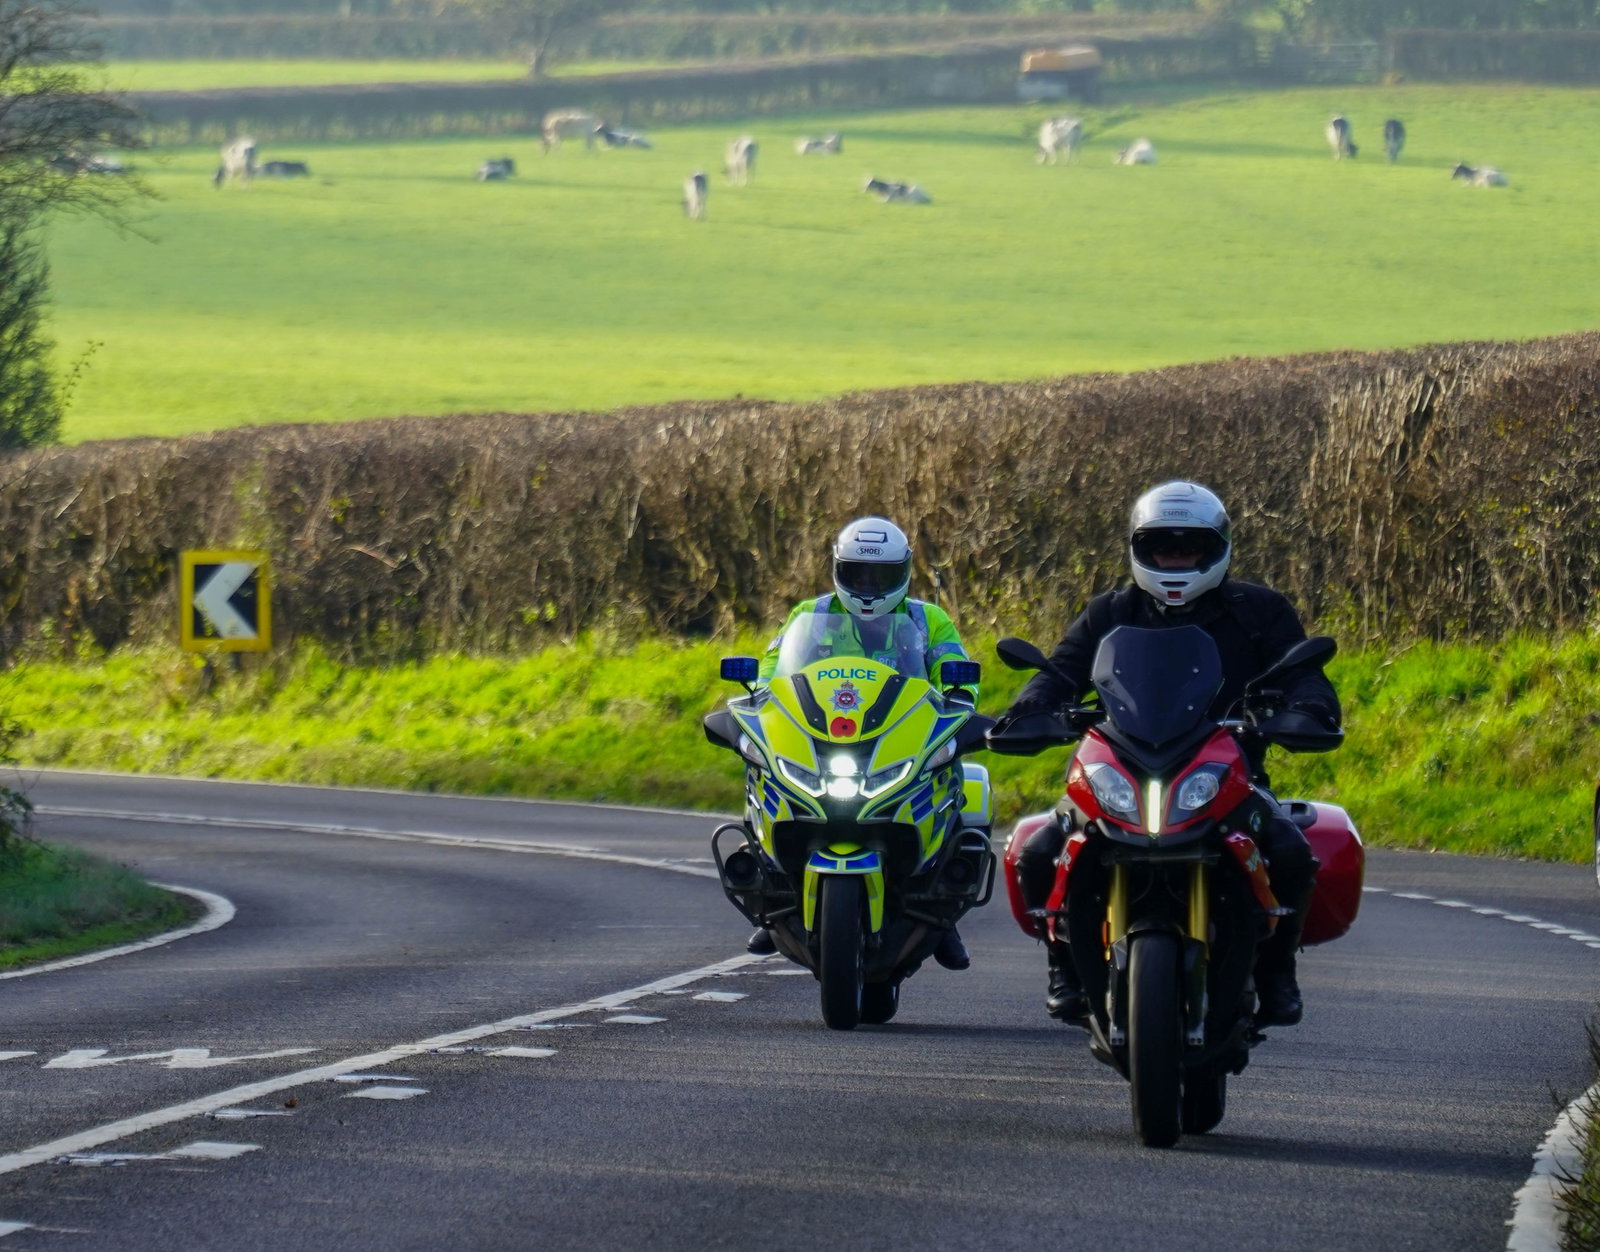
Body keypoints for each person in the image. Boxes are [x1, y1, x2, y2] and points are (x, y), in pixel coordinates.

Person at [996, 480, 1341, 1028]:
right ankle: (1065, 966)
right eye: (1162, 546)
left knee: (1291, 853)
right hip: (1119, 770)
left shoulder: (1260, 611)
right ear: (1138, 547)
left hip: (1228, 771)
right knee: (1038, 853)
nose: (1175, 558)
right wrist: (1031, 710)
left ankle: (1278, 971)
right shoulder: (1109, 611)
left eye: (1190, 547)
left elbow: (1303, 672)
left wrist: (1309, 709)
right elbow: (1060, 672)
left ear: (1218, 548)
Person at [747, 515, 977, 971]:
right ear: (838, 569)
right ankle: (771, 892)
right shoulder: (810, 617)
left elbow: (957, 676)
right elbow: (772, 673)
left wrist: (960, 700)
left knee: (959, 782)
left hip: (899, 738)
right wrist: (757, 698)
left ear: (904, 572)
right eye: (858, 574)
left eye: (881, 576)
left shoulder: (928, 620)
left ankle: (945, 912)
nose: (869, 586)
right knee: (761, 765)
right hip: (823, 737)